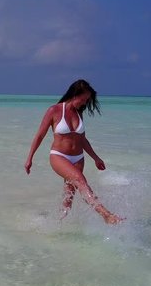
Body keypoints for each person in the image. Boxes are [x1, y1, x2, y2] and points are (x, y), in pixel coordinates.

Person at [24, 79, 123, 224]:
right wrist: (29, 158)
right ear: (74, 94)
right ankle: (106, 215)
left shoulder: (79, 113)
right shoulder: (54, 110)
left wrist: (96, 158)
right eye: (83, 99)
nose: (84, 103)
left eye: (87, 100)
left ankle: (59, 225)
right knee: (80, 180)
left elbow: (82, 140)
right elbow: (40, 135)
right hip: (59, 156)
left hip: (78, 158)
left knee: (68, 197)